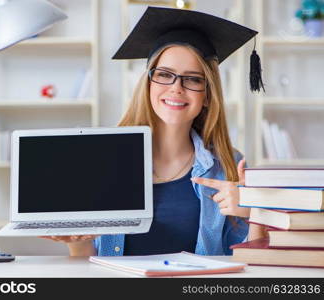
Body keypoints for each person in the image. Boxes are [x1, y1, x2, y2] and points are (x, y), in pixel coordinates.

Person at [40, 7, 267, 256]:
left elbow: (251, 260)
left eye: (192, 79)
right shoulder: (104, 158)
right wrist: (74, 238)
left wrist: (254, 210)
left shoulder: (227, 165)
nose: (176, 88)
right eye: (164, 74)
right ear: (148, 84)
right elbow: (87, 259)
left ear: (207, 95)